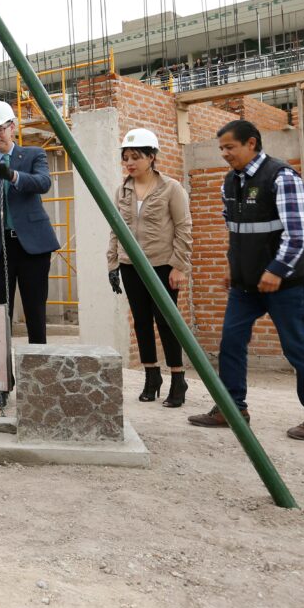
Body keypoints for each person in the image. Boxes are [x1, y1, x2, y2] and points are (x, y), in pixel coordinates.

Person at [187, 120, 304, 440]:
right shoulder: (229, 183)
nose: (224, 154)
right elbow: (236, 232)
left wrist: (277, 270)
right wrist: (232, 266)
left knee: (298, 348)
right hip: (245, 284)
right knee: (231, 342)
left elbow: (298, 233)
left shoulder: (280, 177)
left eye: (230, 147)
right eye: (221, 148)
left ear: (251, 143)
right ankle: (231, 408)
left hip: (285, 284)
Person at [0, 100, 60, 410]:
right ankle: (1, 385)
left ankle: (37, 383)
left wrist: (12, 176)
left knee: (36, 316)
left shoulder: (33, 155)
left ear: (13, 127)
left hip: (33, 248)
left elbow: (43, 183)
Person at [106, 128, 193, 407]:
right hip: (131, 265)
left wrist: (180, 266)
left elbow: (183, 228)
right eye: (126, 157)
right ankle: (151, 377)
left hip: (162, 266)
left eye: (136, 157)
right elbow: (116, 229)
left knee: (167, 322)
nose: (130, 163)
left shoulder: (171, 188)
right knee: (141, 322)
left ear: (152, 157)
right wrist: (113, 263)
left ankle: (178, 379)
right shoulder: (123, 190)